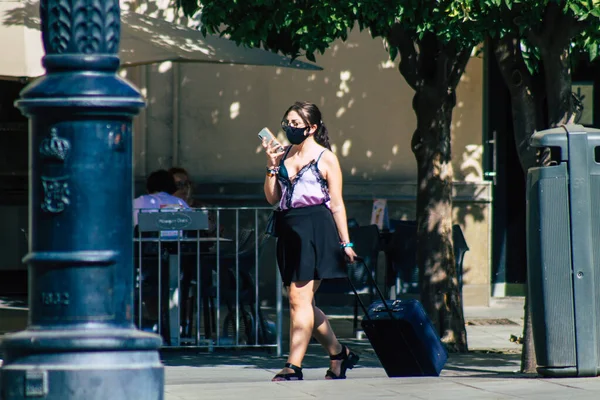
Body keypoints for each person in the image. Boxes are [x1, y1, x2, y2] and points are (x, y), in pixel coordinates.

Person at [262, 101, 359, 381]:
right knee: (300, 301)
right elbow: (271, 198)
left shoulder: (325, 157)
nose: (289, 128)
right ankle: (339, 353)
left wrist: (346, 242)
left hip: (316, 228)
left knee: (298, 298)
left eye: (295, 124)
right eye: (287, 122)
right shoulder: (283, 155)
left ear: (312, 127)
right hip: (288, 228)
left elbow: (337, 204)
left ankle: (294, 365)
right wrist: (271, 166)